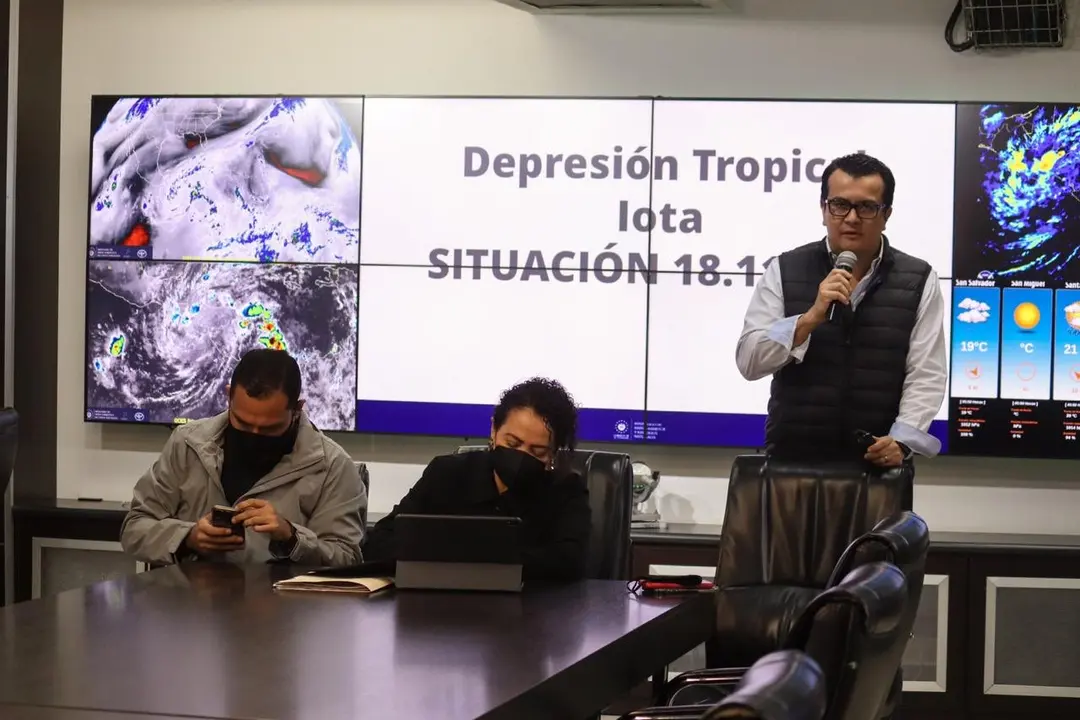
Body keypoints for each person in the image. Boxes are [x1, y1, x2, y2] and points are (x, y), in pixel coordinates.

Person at [736, 152, 947, 467]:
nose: (851, 218)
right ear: (823, 210)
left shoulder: (918, 278)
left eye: (866, 207)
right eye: (839, 205)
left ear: (886, 214)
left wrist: (902, 442)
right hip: (792, 464)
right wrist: (808, 320)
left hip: (877, 469)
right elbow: (749, 361)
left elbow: (927, 372)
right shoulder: (784, 268)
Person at [120, 349, 366, 567]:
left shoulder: (332, 466)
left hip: (286, 611)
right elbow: (135, 528)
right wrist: (189, 538)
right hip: (191, 608)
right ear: (229, 396)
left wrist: (291, 537)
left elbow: (347, 558)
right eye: (243, 423)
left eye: (270, 429)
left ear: (297, 409)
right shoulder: (187, 443)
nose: (254, 436)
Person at [362, 377, 591, 583]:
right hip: (439, 614)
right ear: (493, 430)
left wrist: (473, 557)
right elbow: (382, 540)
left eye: (538, 451)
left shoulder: (565, 490)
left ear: (554, 452)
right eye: (512, 443)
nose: (521, 456)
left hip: (529, 617)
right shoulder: (447, 473)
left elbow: (570, 563)